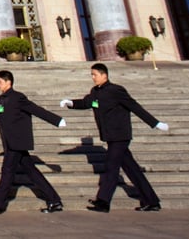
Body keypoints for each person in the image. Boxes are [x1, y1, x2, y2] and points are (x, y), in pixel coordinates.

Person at [60, 62, 169, 212]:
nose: (93, 77)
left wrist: (155, 123)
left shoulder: (116, 90)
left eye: (95, 75)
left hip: (120, 135)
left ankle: (103, 202)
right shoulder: (96, 92)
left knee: (111, 167)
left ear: (104, 75)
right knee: (132, 170)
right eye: (92, 75)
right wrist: (71, 103)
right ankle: (151, 201)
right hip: (110, 136)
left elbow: (134, 106)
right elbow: (87, 103)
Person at [0, 70, 66, 214]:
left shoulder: (18, 97)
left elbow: (36, 109)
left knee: (7, 171)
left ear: (8, 82)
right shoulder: (0, 100)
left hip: (17, 142)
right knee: (33, 173)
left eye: (0, 82)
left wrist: (57, 120)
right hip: (10, 142)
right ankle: (54, 201)